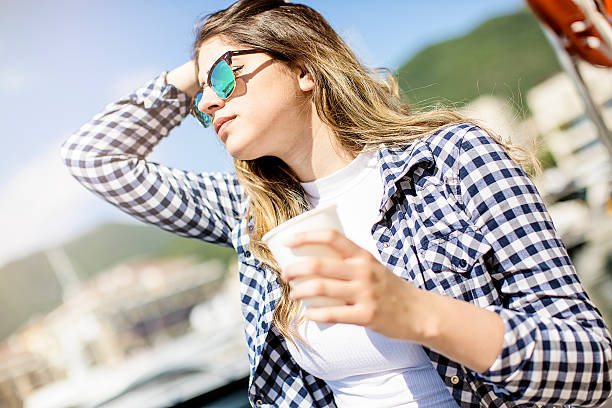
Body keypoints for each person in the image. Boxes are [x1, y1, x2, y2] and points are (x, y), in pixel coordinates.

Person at [60, 0, 612, 407]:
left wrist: (418, 313)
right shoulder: (249, 212)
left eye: (227, 77)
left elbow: (595, 364)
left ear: (304, 68)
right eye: (203, 98)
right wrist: (202, 67)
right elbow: (94, 159)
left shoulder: (452, 159)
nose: (208, 102)